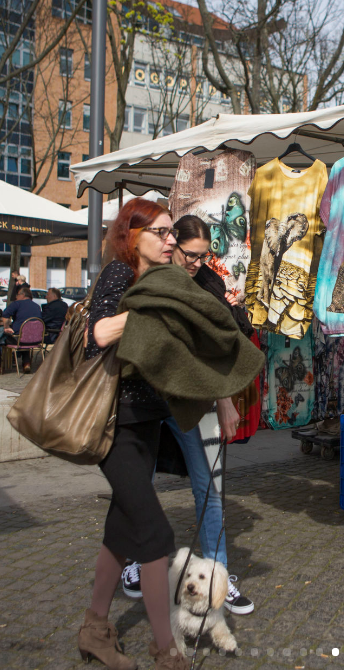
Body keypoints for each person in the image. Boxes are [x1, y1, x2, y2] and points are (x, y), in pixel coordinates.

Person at [120, 215, 252, 615]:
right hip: (141, 398)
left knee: (208, 487)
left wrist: (225, 397)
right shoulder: (145, 275)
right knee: (135, 486)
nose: (195, 262)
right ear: (172, 244)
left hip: (189, 402)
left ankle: (219, 574)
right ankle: (134, 562)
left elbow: (224, 344)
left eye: (202, 255)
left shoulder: (209, 283)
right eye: (189, 254)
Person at [79, 198, 186, 670]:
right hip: (113, 423)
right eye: (161, 232)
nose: (170, 240)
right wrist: (155, 306)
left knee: (121, 533)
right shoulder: (119, 276)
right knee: (155, 536)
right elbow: (99, 333)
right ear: (132, 236)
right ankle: (167, 653)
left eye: (171, 234)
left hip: (147, 423)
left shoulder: (158, 280)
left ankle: (94, 631)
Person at [0, 284, 42, 371]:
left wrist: (6, 326)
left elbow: (5, 315)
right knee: (25, 335)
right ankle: (26, 363)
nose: (16, 297)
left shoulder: (17, 304)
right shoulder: (37, 306)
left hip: (18, 339)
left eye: (17, 295)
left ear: (23, 295)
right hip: (35, 339)